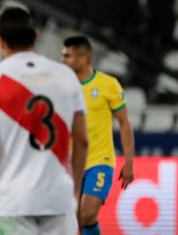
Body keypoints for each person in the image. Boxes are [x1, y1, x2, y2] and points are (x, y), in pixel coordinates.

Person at [0, 7, 88, 235]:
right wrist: (74, 194)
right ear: (36, 36)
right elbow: (82, 140)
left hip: (12, 202)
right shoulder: (66, 76)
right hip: (58, 201)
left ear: (0, 42)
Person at [62, 36, 135, 235]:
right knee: (75, 220)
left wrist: (129, 161)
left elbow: (124, 123)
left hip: (99, 160)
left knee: (87, 213)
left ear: (83, 59)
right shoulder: (62, 87)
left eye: (68, 56)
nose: (63, 60)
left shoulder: (108, 85)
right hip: (71, 163)